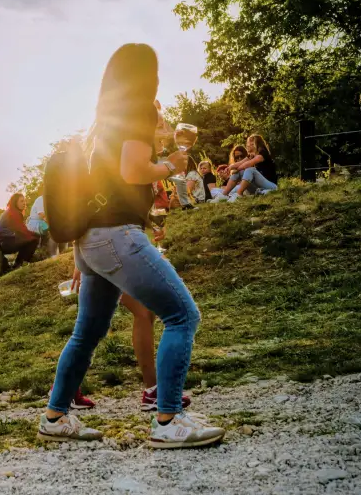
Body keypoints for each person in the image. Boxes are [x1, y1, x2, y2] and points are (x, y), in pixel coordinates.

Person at [37, 43, 224, 448]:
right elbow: (132, 170)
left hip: (91, 239)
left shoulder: (102, 122)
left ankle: (55, 416)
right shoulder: (139, 109)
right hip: (117, 235)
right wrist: (170, 165)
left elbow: (113, 174)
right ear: (146, 74)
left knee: (87, 332)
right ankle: (168, 420)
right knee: (182, 315)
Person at [0, 193, 39, 270]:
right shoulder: (14, 213)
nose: (24, 203)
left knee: (29, 238)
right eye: (21, 201)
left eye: (24, 201)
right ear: (15, 202)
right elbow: (22, 231)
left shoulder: (11, 211)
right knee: (34, 239)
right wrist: (36, 235)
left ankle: (18, 263)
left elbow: (21, 231)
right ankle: (20, 263)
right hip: (2, 242)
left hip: (1, 242)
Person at [26, 190, 66, 257]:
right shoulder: (41, 199)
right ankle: (52, 254)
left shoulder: (52, 202)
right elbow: (42, 215)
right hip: (36, 224)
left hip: (42, 223)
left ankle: (63, 252)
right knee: (54, 230)